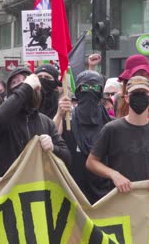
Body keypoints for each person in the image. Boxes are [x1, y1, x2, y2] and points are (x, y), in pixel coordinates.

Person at [86, 76, 149, 194]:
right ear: (127, 98)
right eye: (135, 93)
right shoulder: (112, 129)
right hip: (120, 197)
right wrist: (113, 174)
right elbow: (91, 162)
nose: (139, 97)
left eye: (143, 93)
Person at [0, 68, 71, 179]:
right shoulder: (2, 117)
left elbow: (67, 159)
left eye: (25, 80)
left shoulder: (46, 122)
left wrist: (54, 148)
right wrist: (27, 86)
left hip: (32, 192)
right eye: (14, 82)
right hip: (5, 190)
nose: (22, 84)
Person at [54, 70, 113, 203]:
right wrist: (59, 114)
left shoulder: (110, 123)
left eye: (95, 88)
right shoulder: (67, 121)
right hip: (74, 192)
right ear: (78, 91)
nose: (90, 91)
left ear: (101, 92)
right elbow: (53, 138)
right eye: (85, 87)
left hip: (104, 193)